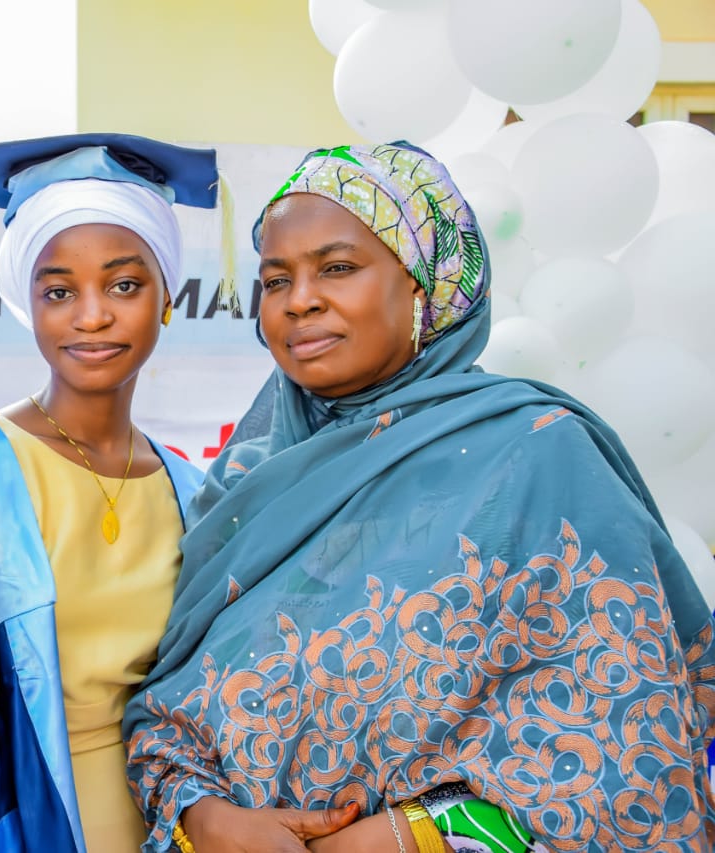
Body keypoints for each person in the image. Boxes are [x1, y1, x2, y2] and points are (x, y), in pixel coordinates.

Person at [124, 141, 715, 853]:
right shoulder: (250, 480)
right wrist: (209, 817)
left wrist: (420, 835)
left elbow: (630, 743)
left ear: (425, 286)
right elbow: (166, 714)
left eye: (337, 267)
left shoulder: (537, 457)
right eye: (276, 279)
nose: (300, 299)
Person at [0, 134, 357, 852]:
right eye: (60, 290)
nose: (92, 315)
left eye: (124, 284)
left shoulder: (195, 491)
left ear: (167, 297)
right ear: (28, 303)